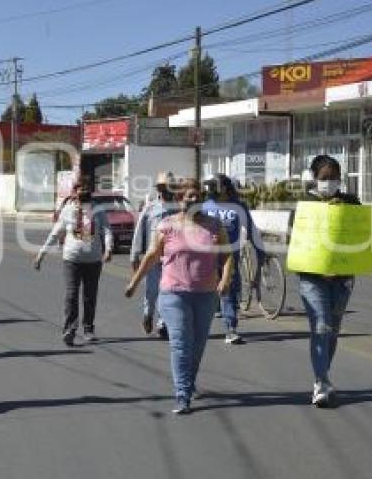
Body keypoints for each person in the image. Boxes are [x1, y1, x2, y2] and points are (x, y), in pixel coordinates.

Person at [125, 179, 233, 414]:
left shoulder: (215, 226)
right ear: (179, 199)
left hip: (205, 294)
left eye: (197, 196)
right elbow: (152, 255)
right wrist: (134, 282)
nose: (193, 200)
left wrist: (225, 280)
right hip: (174, 293)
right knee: (181, 344)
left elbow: (226, 256)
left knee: (197, 345)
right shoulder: (167, 225)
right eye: (188, 196)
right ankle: (182, 394)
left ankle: (189, 383)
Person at [293, 155, 362, 408]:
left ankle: (322, 375)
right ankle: (321, 382)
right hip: (313, 278)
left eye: (334, 177)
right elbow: (297, 240)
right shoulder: (304, 205)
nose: (329, 182)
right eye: (324, 178)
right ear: (314, 179)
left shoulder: (351, 202)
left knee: (332, 329)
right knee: (320, 326)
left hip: (342, 278)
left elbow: (360, 235)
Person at [34, 176, 113, 346]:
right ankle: (69, 328)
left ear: (90, 192)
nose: (83, 191)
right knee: (71, 295)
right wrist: (41, 254)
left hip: (93, 260)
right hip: (72, 260)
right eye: (80, 188)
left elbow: (107, 231)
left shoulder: (98, 211)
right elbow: (55, 233)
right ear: (75, 192)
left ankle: (88, 328)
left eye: (86, 188)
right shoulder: (68, 211)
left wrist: (108, 249)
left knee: (89, 296)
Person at [202, 173, 265, 345]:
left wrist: (260, 252)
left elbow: (251, 230)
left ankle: (231, 328)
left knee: (228, 291)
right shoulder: (204, 207)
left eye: (213, 186)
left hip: (229, 258)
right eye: (208, 186)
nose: (210, 190)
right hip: (207, 259)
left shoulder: (238, 207)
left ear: (224, 188)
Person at [130, 171, 178, 338]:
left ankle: (162, 324)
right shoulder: (150, 208)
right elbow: (139, 233)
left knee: (167, 292)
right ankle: (148, 314)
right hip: (152, 258)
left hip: (172, 259)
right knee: (152, 292)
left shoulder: (179, 208)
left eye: (168, 187)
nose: (164, 191)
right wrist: (134, 255)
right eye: (161, 187)